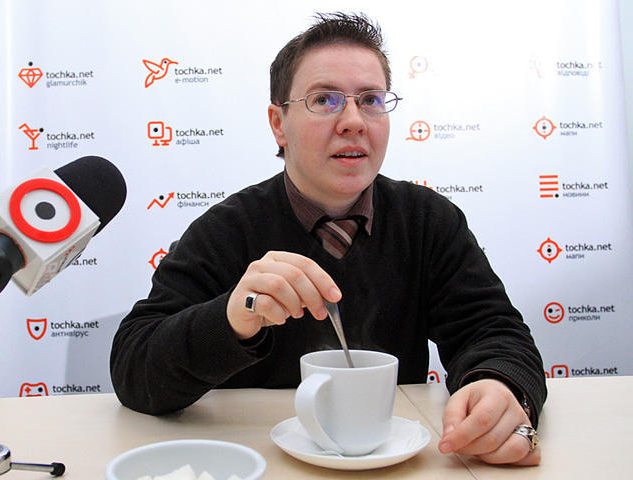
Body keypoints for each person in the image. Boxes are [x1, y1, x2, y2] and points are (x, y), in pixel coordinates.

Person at [111, 12, 546, 466]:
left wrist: (499, 386)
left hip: (394, 465)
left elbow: (494, 332)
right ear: (278, 123)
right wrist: (231, 318)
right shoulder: (228, 229)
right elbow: (134, 368)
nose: (354, 121)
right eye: (325, 99)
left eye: (371, 100)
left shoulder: (428, 221)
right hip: (259, 463)